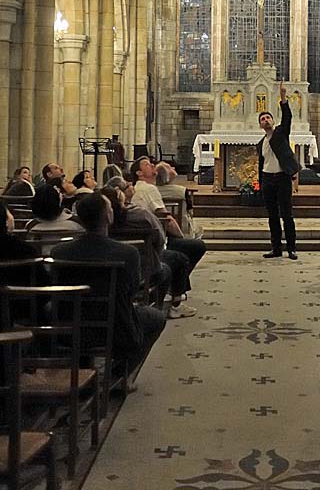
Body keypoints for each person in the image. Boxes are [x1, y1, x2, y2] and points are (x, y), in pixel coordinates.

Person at [51, 192, 166, 385]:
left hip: (69, 325)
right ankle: (120, 374)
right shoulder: (127, 253)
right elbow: (132, 290)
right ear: (108, 216)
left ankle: (83, 373)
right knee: (156, 318)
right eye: (110, 208)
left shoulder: (59, 251)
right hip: (116, 327)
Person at [101, 185, 193, 318]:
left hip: (105, 269)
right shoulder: (140, 215)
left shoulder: (99, 219)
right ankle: (157, 309)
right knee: (168, 267)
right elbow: (160, 239)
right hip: (144, 268)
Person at [131, 156, 205, 305]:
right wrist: (182, 236)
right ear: (139, 173)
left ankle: (173, 287)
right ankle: (175, 296)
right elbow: (166, 217)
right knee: (193, 247)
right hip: (152, 243)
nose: (152, 165)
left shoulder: (141, 188)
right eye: (147, 164)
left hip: (146, 239)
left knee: (185, 247)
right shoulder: (148, 188)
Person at [257, 81, 301, 260]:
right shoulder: (260, 143)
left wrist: (283, 97)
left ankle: (291, 248)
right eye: (262, 119)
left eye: (268, 118)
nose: (265, 120)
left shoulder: (281, 133)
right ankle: (276, 248)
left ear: (273, 121)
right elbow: (262, 164)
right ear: (260, 125)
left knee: (287, 214)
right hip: (268, 179)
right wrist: (261, 183)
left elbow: (287, 117)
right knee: (272, 216)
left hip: (282, 178)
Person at [155, 162, 203, 239]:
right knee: (199, 230)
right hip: (181, 228)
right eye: (170, 167)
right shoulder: (182, 191)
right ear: (167, 175)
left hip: (157, 226)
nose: (173, 168)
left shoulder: (151, 190)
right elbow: (190, 211)